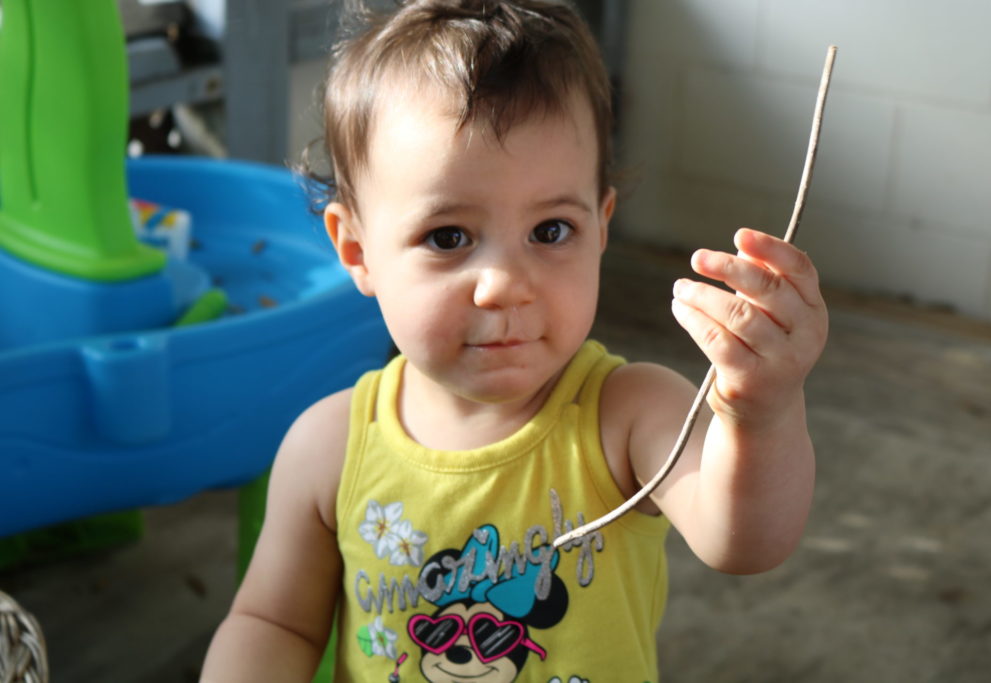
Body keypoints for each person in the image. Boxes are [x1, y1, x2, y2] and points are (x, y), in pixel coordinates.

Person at [201, 1, 827, 681]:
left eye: (551, 231)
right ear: (357, 249)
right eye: (448, 237)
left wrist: (761, 414)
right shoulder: (327, 449)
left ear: (601, 225)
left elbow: (746, 539)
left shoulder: (630, 416)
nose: (503, 285)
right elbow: (274, 622)